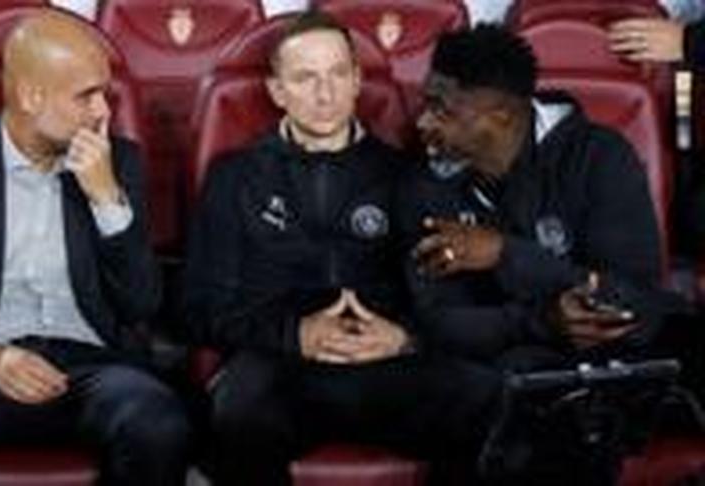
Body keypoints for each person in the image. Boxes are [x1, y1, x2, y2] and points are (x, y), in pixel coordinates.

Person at [184, 11, 500, 486]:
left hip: (386, 361)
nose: (325, 94)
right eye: (305, 78)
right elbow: (198, 308)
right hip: (280, 366)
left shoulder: (408, 176)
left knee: (486, 396)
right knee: (235, 410)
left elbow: (452, 300)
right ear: (277, 91)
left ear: (357, 81)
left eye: (336, 74)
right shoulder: (235, 176)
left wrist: (404, 337)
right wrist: (295, 335)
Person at [0, 11, 190, 486]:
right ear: (30, 96)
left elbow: (141, 303)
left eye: (105, 94)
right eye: (86, 95)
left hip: (92, 366)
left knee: (160, 426)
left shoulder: (118, 162)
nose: (102, 111)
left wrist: (106, 198)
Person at [400, 24, 668, 483]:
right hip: (494, 377)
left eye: (441, 110)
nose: (423, 122)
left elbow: (635, 304)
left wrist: (506, 255)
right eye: (426, 103)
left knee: (573, 399)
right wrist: (542, 319)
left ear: (501, 115)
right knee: (500, 389)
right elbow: (438, 322)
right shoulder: (423, 184)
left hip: (600, 371)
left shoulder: (599, 157)